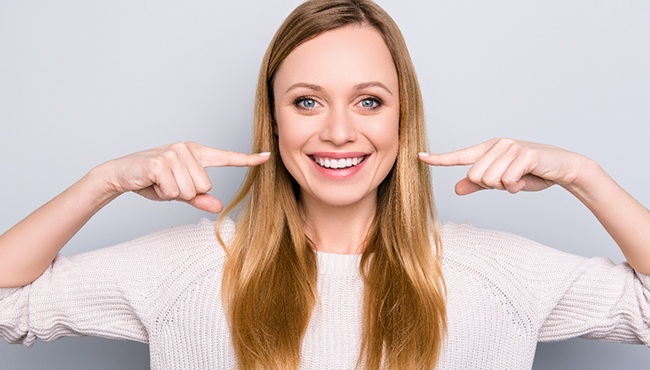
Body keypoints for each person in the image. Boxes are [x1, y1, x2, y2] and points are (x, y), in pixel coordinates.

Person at [1, 0, 649, 369]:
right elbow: (9, 307)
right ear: (274, 119)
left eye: (369, 102)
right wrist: (103, 182)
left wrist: (582, 176)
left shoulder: (494, 272)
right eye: (307, 102)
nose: (338, 131)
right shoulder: (188, 266)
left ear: (403, 117)